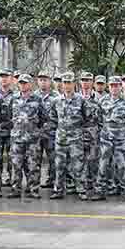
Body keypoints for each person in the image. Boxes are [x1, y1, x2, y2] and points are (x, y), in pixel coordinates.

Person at [92, 77, 125, 201]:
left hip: (121, 138)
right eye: (112, 86)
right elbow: (99, 118)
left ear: (120, 86)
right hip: (106, 138)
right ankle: (100, 191)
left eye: (116, 85)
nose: (114, 88)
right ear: (108, 87)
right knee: (103, 165)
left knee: (122, 165)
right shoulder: (102, 101)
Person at [49, 72, 90, 200]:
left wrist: (81, 133)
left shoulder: (81, 100)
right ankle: (58, 190)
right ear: (61, 84)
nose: (67, 86)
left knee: (78, 165)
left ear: (74, 84)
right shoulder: (56, 101)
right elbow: (53, 118)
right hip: (61, 138)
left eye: (69, 83)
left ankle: (81, 190)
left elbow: (87, 118)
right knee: (59, 165)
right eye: (65, 83)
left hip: (76, 139)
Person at [7, 74, 45, 198]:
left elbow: (43, 117)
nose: (23, 85)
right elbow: (8, 116)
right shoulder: (13, 99)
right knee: (16, 164)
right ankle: (15, 189)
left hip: (32, 138)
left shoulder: (38, 99)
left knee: (33, 165)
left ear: (30, 84)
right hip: (17, 138)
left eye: (25, 83)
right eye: (21, 83)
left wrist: (34, 129)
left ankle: (33, 189)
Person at [35, 71, 59, 191]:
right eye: (41, 80)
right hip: (37, 134)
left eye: (45, 79)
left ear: (50, 81)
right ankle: (35, 183)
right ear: (37, 81)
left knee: (53, 159)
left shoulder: (57, 97)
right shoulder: (33, 96)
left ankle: (53, 181)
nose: (43, 82)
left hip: (51, 134)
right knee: (35, 159)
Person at [78, 72, 101, 199]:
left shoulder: (100, 99)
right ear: (80, 82)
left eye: (88, 80)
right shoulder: (76, 98)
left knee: (94, 160)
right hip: (79, 134)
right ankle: (81, 186)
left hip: (94, 134)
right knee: (79, 161)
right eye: (83, 80)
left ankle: (95, 186)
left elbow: (103, 118)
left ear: (92, 82)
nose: (86, 82)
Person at [0, 68, 14, 188]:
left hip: (12, 132)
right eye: (1, 76)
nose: (4, 79)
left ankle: (11, 180)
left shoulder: (16, 95)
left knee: (12, 157)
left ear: (11, 79)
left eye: (6, 76)